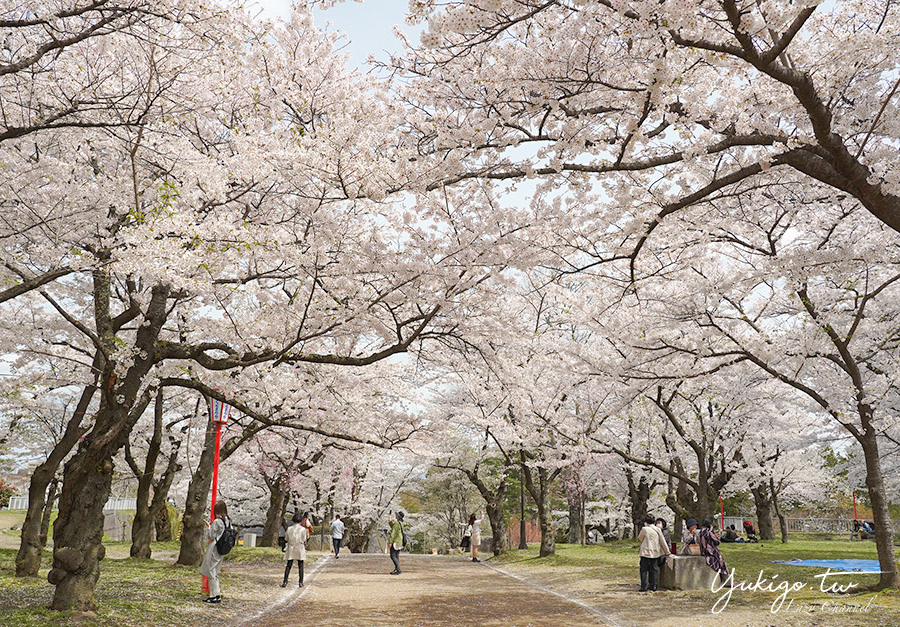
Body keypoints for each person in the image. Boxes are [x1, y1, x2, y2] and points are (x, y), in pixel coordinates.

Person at [199, 500, 230, 604]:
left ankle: (214, 596)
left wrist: (209, 526)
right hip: (223, 548)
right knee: (215, 571)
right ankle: (216, 594)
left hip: (215, 547)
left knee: (211, 571)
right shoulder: (228, 521)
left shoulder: (217, 521)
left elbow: (211, 536)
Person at [638, 514, 671, 592]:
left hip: (645, 552)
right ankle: (653, 586)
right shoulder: (658, 529)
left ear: (646, 521)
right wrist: (667, 552)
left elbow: (640, 538)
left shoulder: (644, 529)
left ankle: (644, 586)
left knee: (644, 570)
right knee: (654, 570)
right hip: (655, 552)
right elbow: (662, 541)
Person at [697, 518, 730, 584]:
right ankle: (726, 580)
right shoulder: (708, 531)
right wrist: (717, 537)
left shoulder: (700, 532)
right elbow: (716, 542)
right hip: (710, 551)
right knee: (721, 560)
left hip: (703, 551)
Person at [282, 512, 308, 588]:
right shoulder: (303, 529)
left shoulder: (289, 529)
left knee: (289, 565)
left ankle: (285, 581)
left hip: (291, 547)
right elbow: (304, 539)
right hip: (299, 547)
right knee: (301, 565)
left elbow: (286, 538)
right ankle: (300, 582)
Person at [388, 511, 404, 575]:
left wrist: (390, 542)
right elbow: (393, 526)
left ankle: (398, 569)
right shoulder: (401, 523)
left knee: (392, 556)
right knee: (396, 556)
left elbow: (393, 533)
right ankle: (397, 569)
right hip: (400, 541)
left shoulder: (397, 523)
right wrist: (390, 519)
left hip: (396, 541)